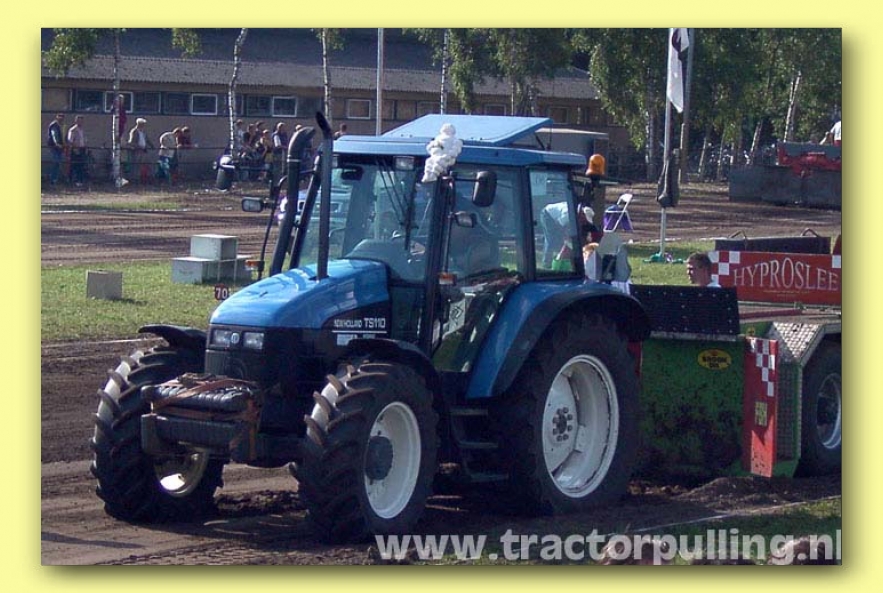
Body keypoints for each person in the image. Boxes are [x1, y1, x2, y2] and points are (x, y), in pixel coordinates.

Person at [127, 118, 154, 183]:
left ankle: (139, 178)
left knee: (141, 165)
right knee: (135, 165)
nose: (143, 125)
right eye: (142, 124)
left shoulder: (143, 132)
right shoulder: (134, 131)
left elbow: (147, 139)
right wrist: (138, 147)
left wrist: (152, 145)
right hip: (137, 151)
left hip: (143, 150)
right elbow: (131, 142)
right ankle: (134, 179)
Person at [66, 115, 87, 185]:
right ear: (76, 121)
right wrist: (75, 148)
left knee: (81, 165)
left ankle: (79, 180)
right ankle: (72, 180)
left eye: (82, 121)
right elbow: (70, 141)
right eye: (79, 120)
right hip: (75, 149)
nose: (80, 122)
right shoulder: (73, 130)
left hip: (82, 149)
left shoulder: (82, 130)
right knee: (75, 165)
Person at [46, 113, 65, 185]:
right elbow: (54, 134)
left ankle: (54, 179)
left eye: (62, 117)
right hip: (54, 146)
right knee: (56, 162)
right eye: (60, 117)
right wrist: (57, 143)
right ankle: (52, 179)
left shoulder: (60, 126)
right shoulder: (54, 125)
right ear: (57, 117)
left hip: (59, 147)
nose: (61, 119)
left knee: (58, 163)